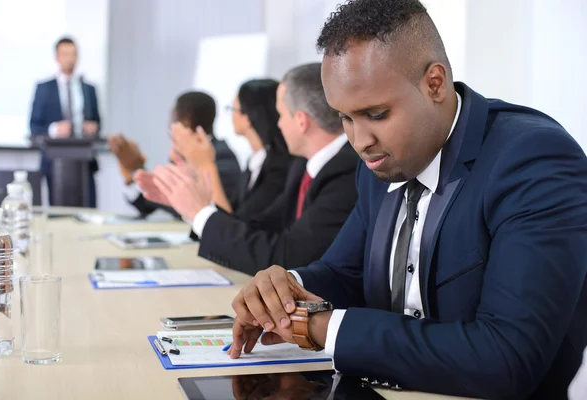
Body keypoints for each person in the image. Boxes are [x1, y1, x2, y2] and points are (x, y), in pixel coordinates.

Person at [228, 1, 587, 399]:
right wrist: (284, 292)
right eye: (345, 118)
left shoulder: (533, 160)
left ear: (435, 83)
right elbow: (344, 273)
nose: (359, 141)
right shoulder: (381, 162)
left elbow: (508, 358)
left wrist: (319, 327)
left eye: (376, 114)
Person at [148, 63, 358, 274]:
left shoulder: (347, 173)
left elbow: (287, 256)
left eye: (282, 115)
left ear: (301, 121)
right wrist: (194, 209)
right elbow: (255, 227)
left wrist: (201, 212)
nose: (279, 125)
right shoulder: (303, 166)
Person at [136, 79, 292, 222]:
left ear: (248, 117)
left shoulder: (275, 167)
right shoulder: (255, 161)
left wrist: (206, 166)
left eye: (233, 109)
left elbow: (231, 226)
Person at [107, 91, 240, 219]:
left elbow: (204, 212)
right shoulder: (179, 155)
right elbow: (150, 204)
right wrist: (132, 172)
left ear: (186, 122)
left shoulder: (222, 157)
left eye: (173, 117)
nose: (170, 126)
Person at [30, 37, 101, 207]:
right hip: (55, 163)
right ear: (57, 57)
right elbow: (34, 127)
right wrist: (54, 129)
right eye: (65, 54)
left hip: (84, 163)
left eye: (73, 54)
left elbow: (98, 123)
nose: (70, 58)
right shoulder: (43, 88)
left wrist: (92, 127)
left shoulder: (89, 89)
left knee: (88, 209)